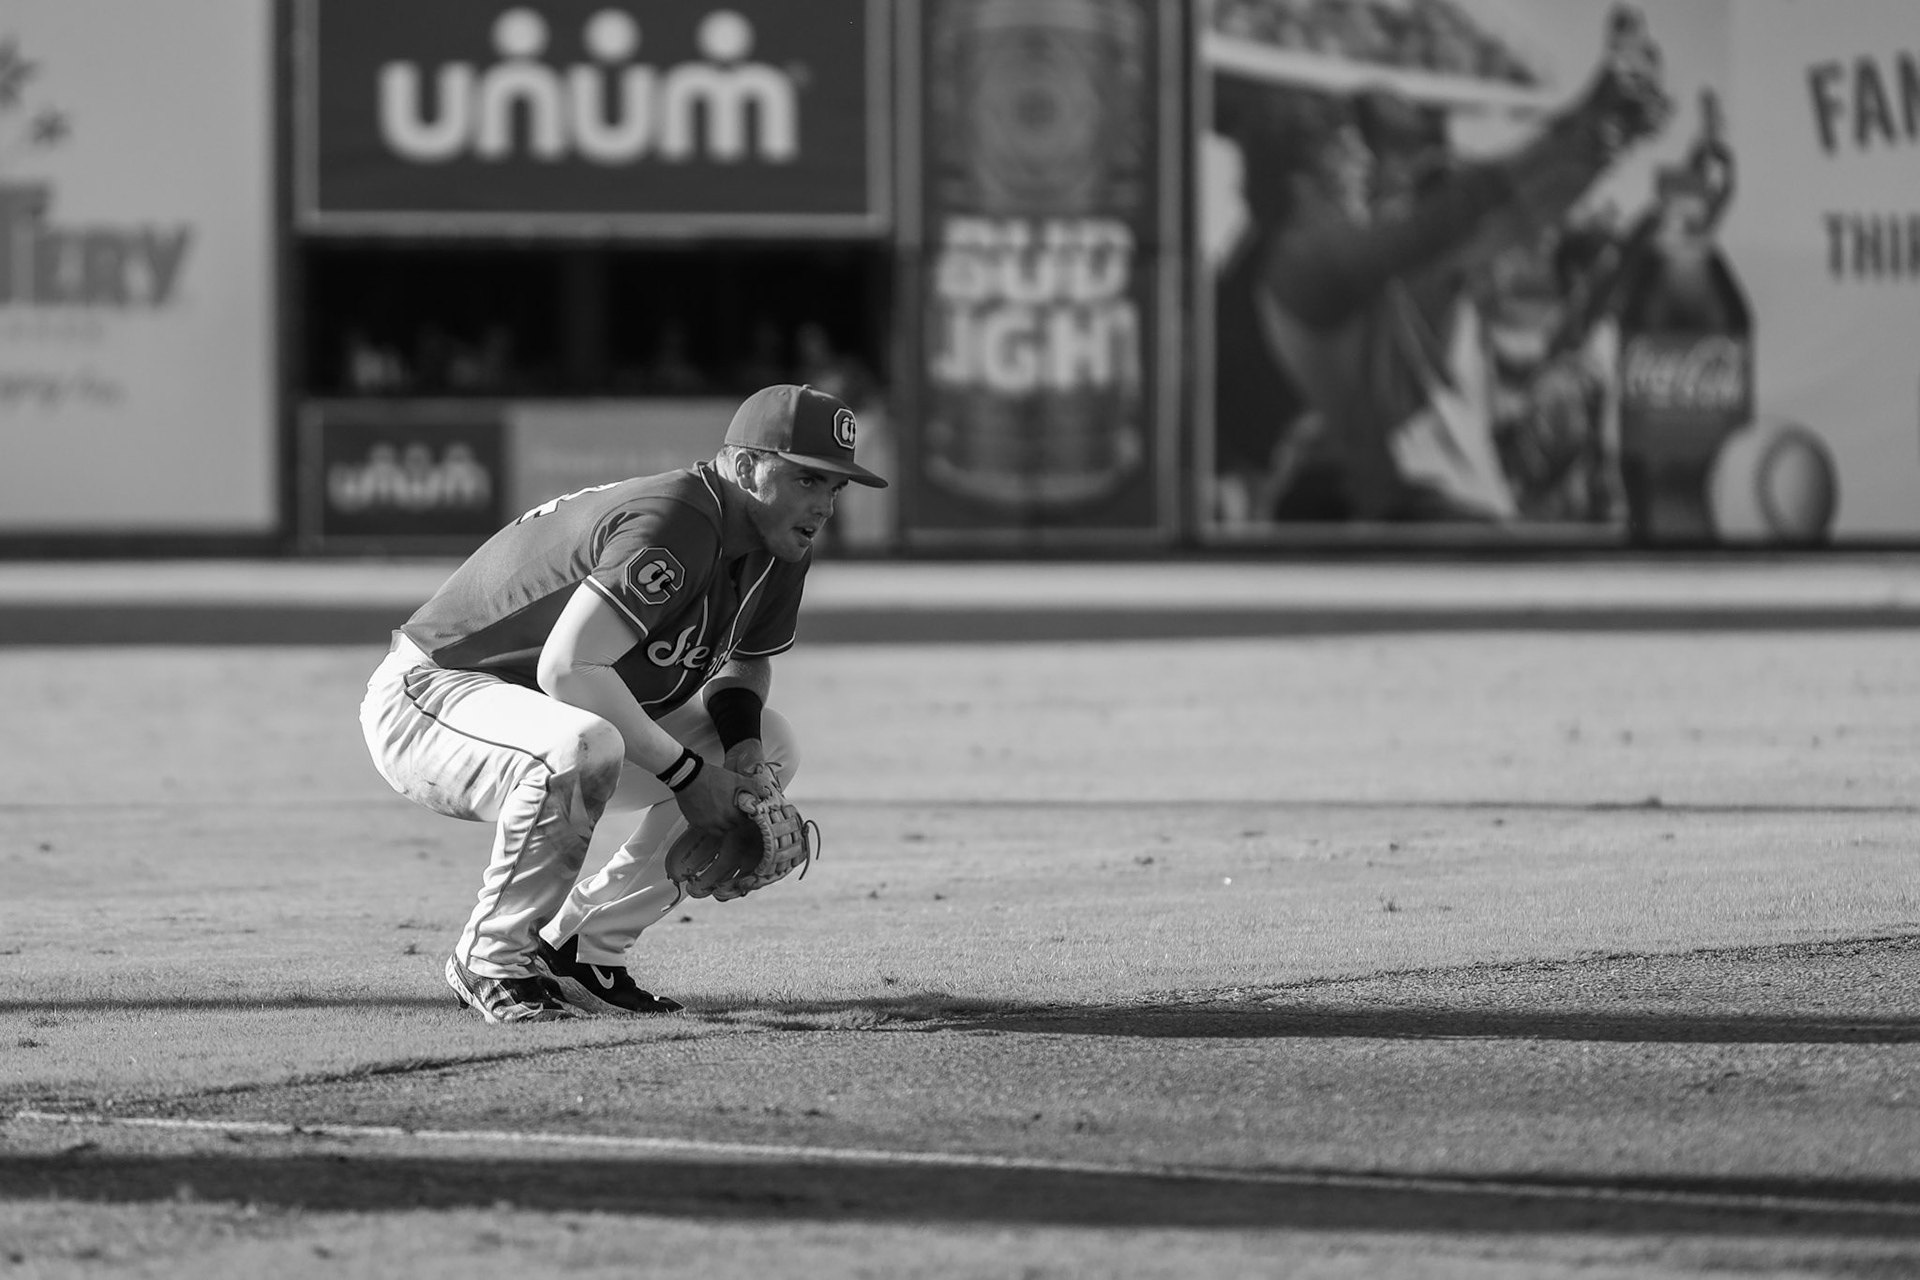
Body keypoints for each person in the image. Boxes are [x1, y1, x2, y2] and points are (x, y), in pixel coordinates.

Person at [358, 384, 887, 1023]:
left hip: (549, 712)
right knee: (582, 744)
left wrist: (740, 752)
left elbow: (744, 657)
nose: (824, 504)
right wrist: (689, 777)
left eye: (836, 487)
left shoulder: (777, 544)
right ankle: (491, 959)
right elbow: (569, 668)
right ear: (746, 467)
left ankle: (583, 945)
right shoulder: (679, 518)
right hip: (433, 697)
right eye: (808, 479)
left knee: (772, 746)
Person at [1212, 4, 1672, 523]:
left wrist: (1601, 139)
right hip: (1393, 512)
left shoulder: (1378, 269)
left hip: (1431, 503)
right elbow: (1447, 220)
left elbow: (1507, 218)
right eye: (1344, 149)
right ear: (1301, 178)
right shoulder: (1301, 261)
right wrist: (1584, 123)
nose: (1360, 162)